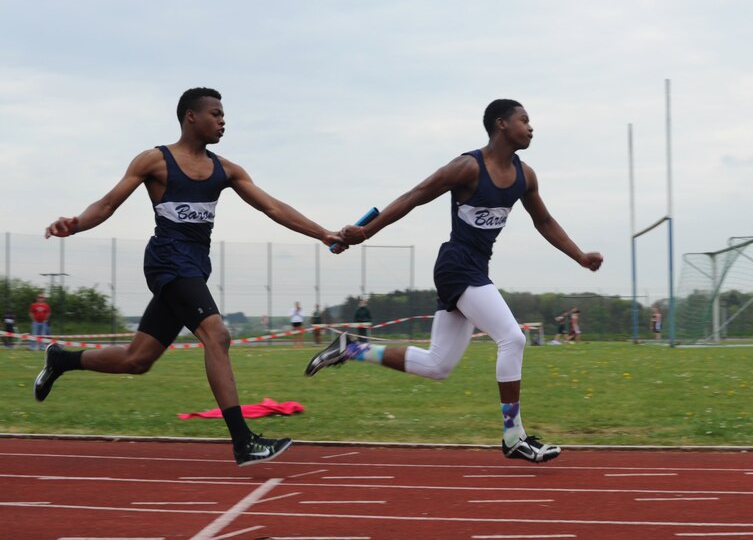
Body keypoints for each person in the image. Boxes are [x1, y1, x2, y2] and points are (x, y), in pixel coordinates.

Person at [34, 87, 344, 467]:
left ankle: (61, 361)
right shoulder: (155, 161)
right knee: (218, 334)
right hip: (167, 260)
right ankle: (243, 441)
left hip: (194, 267)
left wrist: (323, 233)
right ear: (190, 117)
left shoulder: (227, 170)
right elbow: (107, 204)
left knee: (138, 359)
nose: (223, 121)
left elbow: (274, 207)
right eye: (216, 114)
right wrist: (76, 224)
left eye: (224, 115)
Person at [306, 99, 603, 464]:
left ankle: (352, 348)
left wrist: (580, 256)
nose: (531, 127)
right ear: (501, 125)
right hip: (456, 265)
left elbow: (544, 221)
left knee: (438, 365)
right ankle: (514, 436)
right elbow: (414, 196)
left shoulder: (526, 176)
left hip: (476, 267)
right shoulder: (467, 167)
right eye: (524, 120)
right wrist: (366, 231)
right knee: (512, 338)